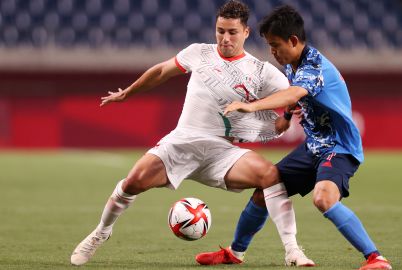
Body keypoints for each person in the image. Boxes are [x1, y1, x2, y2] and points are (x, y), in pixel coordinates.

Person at [70, 0, 315, 267]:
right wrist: (128, 92)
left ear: (245, 32)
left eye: (232, 32)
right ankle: (101, 233)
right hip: (182, 141)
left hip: (221, 151)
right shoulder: (199, 52)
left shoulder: (262, 72)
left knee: (270, 176)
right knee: (132, 182)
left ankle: (292, 250)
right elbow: (162, 71)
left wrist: (287, 118)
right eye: (220, 30)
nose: (225, 38)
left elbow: (293, 95)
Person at [195, 5, 392, 270]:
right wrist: (287, 117)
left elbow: (294, 92)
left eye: (276, 46)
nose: (273, 53)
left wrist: (253, 106)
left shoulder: (314, 67)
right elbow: (295, 94)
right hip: (314, 147)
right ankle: (235, 252)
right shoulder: (294, 63)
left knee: (323, 199)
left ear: (294, 41)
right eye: (269, 46)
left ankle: (376, 258)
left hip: (340, 147)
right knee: (266, 189)